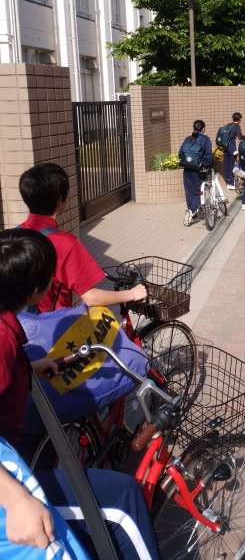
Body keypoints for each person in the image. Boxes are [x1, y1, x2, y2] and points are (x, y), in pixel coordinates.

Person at [0, 228, 160, 559]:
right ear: (35, 291)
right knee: (123, 501)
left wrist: (32, 366)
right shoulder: (2, 338)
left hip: (14, 451)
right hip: (8, 478)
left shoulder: (7, 325)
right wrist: (16, 500)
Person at [19, 163, 147, 313]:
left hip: (19, 322)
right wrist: (132, 294)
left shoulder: (15, 234)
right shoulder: (64, 243)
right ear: (61, 200)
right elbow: (91, 297)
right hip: (53, 324)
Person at [179, 120, 213, 225]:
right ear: (203, 129)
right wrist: (207, 165)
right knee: (198, 191)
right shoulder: (205, 139)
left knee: (189, 192)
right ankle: (192, 211)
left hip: (187, 168)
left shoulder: (188, 139)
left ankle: (191, 211)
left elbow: (180, 153)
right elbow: (208, 155)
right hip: (198, 170)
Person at [221, 112, 242, 191]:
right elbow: (239, 137)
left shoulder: (228, 125)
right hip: (232, 148)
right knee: (232, 165)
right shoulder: (237, 126)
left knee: (226, 165)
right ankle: (231, 183)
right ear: (239, 119)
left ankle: (228, 182)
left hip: (225, 147)